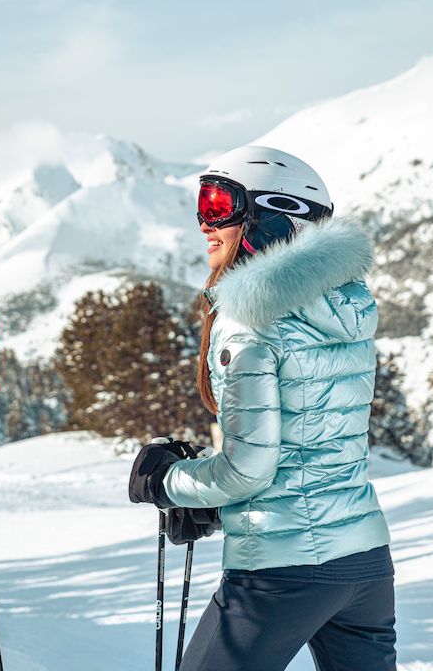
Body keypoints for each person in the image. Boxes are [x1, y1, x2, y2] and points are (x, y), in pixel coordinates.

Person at [128, 145, 396, 671]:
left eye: (219, 204)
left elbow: (247, 472)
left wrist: (167, 481)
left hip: (281, 575)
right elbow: (307, 444)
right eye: (203, 203)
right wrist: (216, 503)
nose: (205, 222)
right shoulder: (345, 306)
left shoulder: (249, 319)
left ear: (273, 216)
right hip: (364, 565)